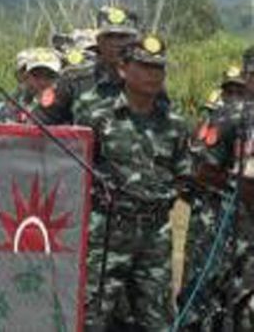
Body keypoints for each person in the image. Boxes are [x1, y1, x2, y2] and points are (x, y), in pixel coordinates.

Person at [76, 35, 191, 330]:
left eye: (158, 68)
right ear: (123, 69)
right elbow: (76, 169)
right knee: (92, 315)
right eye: (145, 67)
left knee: (157, 318)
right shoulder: (96, 115)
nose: (153, 75)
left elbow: (182, 175)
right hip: (106, 232)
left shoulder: (175, 124)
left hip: (155, 234)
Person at [186, 49, 254, 331]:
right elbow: (202, 169)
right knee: (210, 299)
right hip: (227, 225)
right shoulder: (230, 116)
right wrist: (238, 186)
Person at [48, 6, 140, 124]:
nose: (115, 43)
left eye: (123, 37)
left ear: (136, 41)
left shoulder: (151, 80)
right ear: (99, 40)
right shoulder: (74, 80)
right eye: (109, 36)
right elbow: (40, 124)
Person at [0, 47, 62, 124]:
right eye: (37, 75)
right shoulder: (8, 105)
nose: (43, 82)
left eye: (50, 76)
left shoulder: (65, 107)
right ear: (26, 76)